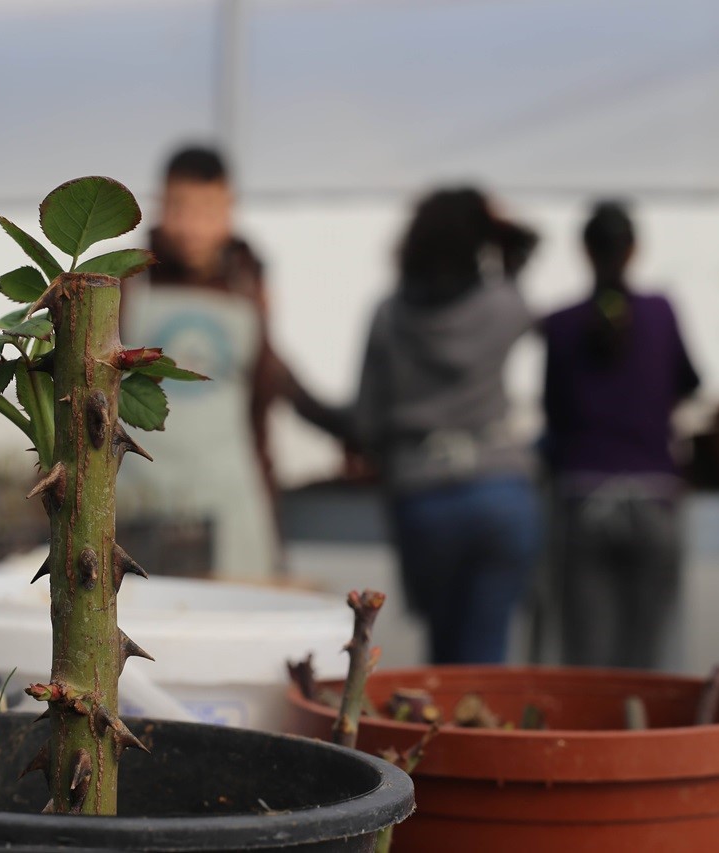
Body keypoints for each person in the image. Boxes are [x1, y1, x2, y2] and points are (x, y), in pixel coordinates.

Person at [122, 146, 334, 581]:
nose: (192, 227)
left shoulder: (247, 285)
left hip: (229, 499)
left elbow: (263, 399)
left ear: (229, 208)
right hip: (141, 500)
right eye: (180, 207)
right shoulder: (128, 280)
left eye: (207, 210)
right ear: (161, 204)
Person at [351, 186, 542, 664]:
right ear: (479, 241)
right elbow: (528, 245)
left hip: (423, 495)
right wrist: (498, 226)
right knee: (487, 655)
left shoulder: (389, 314)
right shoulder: (504, 306)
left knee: (445, 654)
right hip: (500, 490)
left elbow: (365, 421)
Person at [543, 200, 700, 670]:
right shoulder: (661, 312)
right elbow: (690, 383)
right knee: (649, 664)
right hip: (653, 500)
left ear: (583, 251)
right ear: (634, 250)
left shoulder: (561, 322)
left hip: (583, 499)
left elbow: (554, 413)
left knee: (588, 667)